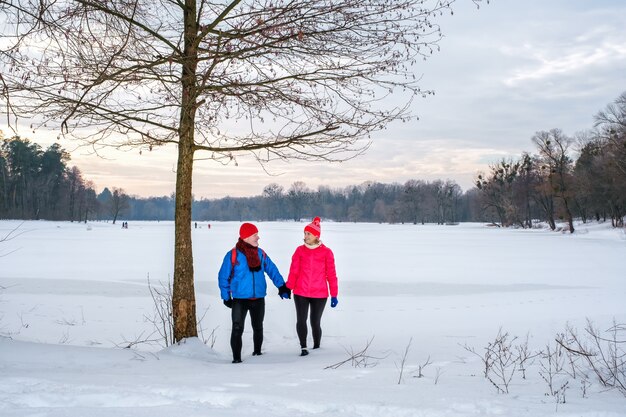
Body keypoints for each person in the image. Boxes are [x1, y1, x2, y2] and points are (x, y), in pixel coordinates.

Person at [218, 222, 291, 363]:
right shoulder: (233, 255)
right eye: (255, 235)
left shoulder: (261, 254)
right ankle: (236, 359)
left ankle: (257, 353)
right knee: (237, 328)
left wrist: (282, 286)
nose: (258, 237)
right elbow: (223, 276)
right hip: (240, 299)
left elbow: (272, 270)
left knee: (258, 327)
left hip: (258, 298)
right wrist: (226, 297)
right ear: (245, 237)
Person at [286, 217, 339, 357]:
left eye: (308, 234)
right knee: (301, 320)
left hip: (320, 294)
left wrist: (334, 294)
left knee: (315, 321)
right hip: (300, 292)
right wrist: (288, 287)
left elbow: (331, 275)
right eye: (304, 233)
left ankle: (317, 347)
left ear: (316, 235)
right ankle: (303, 347)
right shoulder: (299, 251)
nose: (305, 236)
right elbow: (294, 271)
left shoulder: (327, 252)